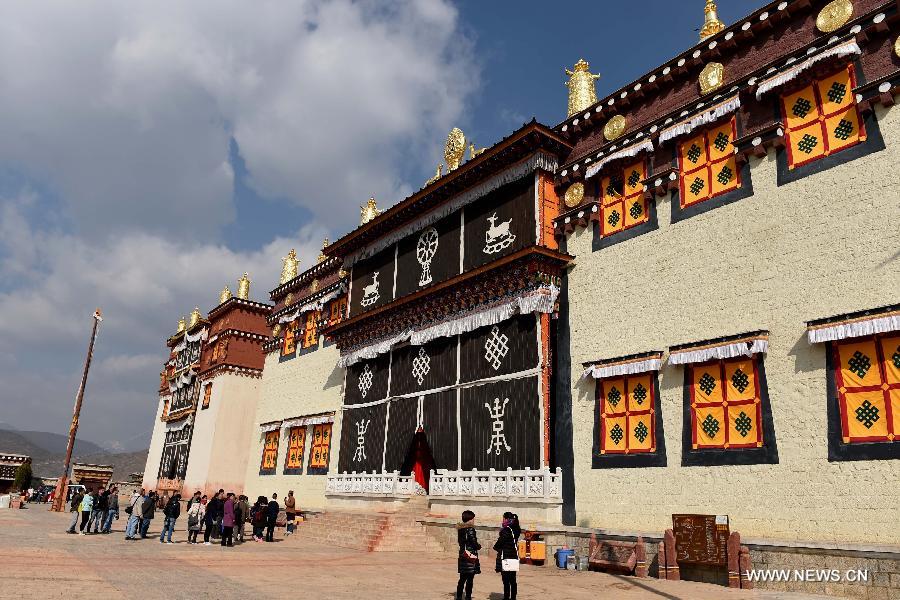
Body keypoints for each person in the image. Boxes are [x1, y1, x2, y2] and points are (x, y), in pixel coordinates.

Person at [493, 512, 521, 600]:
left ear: (506, 519)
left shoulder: (506, 530)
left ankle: (506, 597)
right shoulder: (516, 529)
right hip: (513, 556)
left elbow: (500, 542)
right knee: (513, 580)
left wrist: (496, 547)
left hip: (506, 557)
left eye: (503, 518)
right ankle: (513, 597)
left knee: (506, 580)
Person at [456, 510, 481, 600]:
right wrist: (478, 546)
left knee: (462, 578)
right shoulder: (470, 529)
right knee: (470, 579)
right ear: (469, 519)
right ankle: (468, 597)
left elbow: (461, 542)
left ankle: (459, 597)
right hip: (470, 555)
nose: (474, 520)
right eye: (473, 518)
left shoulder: (460, 529)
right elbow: (473, 541)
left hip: (463, 554)